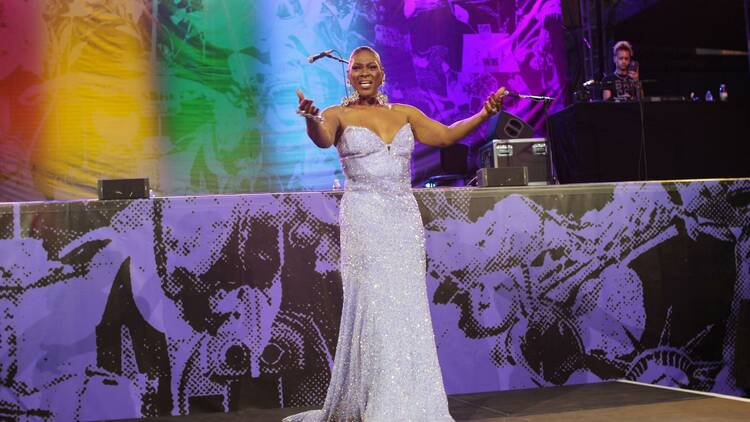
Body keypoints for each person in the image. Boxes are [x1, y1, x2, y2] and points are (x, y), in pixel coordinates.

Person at [285, 46, 505, 422]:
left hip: (403, 219)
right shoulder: (337, 115)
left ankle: (412, 402)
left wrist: (485, 113)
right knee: (374, 306)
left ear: (382, 73)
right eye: (358, 68)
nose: (365, 73)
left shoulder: (405, 113)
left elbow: (446, 136)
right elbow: (322, 138)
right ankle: (377, 402)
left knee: (407, 308)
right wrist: (309, 119)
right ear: (349, 73)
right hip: (365, 217)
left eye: (372, 67)